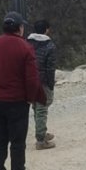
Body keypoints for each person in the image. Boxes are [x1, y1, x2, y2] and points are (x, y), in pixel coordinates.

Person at [0, 12, 46, 170]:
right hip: (17, 101)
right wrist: (30, 98)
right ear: (19, 28)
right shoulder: (25, 47)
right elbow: (32, 79)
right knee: (17, 141)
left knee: (0, 139)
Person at [27, 19, 57, 150]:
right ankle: (40, 139)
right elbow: (50, 67)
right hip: (43, 80)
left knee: (36, 107)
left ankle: (42, 132)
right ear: (46, 29)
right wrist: (51, 84)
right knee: (42, 108)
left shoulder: (27, 43)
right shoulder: (49, 46)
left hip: (30, 80)